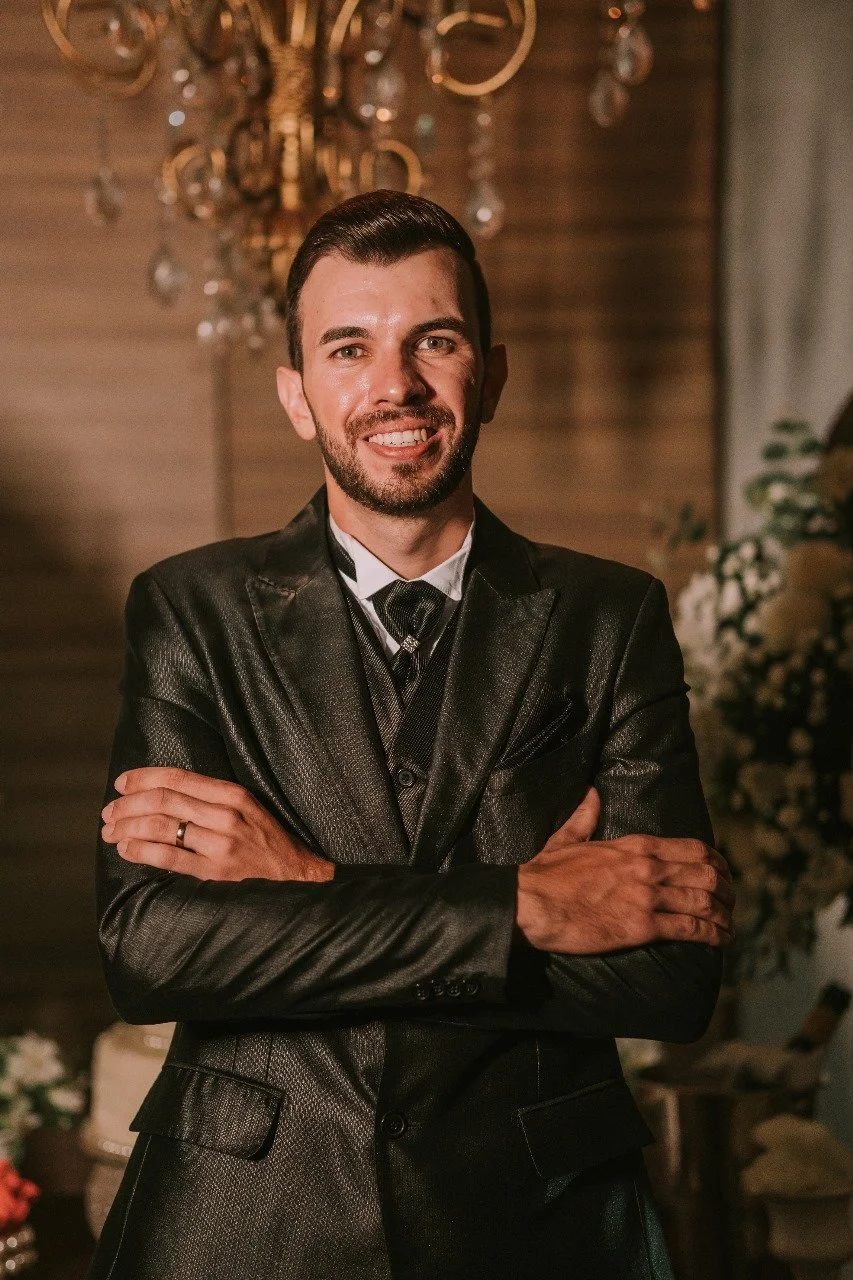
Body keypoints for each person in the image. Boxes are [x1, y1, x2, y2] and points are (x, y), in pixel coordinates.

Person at [90, 189, 734, 1280]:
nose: (395, 385)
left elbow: (667, 977)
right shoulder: (189, 611)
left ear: (492, 373)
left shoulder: (610, 618)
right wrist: (520, 907)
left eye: (433, 340)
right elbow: (153, 948)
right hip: (240, 1221)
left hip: (539, 1224)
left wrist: (307, 886)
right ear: (297, 395)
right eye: (349, 348)